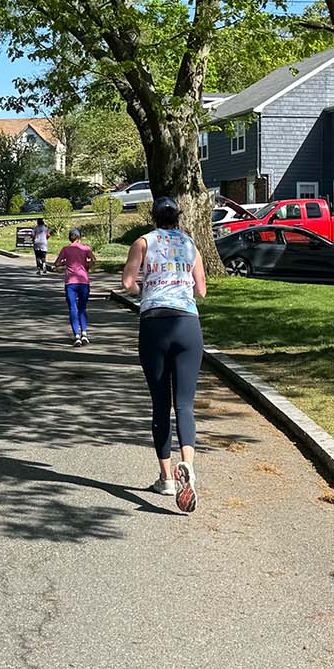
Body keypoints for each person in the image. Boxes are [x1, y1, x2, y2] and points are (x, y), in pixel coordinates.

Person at [120, 197, 208, 514]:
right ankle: (188, 464)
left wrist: (147, 290)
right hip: (187, 325)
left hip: (155, 323)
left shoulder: (143, 243)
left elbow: (128, 282)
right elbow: (201, 290)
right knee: (184, 404)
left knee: (160, 403)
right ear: (177, 217)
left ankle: (167, 478)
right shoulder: (190, 245)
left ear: (153, 217)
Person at [55, 227, 95, 346]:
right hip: (83, 281)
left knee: (73, 308)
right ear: (79, 237)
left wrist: (65, 262)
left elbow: (57, 263)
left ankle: (76, 336)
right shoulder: (85, 248)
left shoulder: (66, 249)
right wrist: (86, 266)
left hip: (70, 282)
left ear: (70, 238)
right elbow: (93, 260)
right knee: (82, 308)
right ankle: (84, 333)